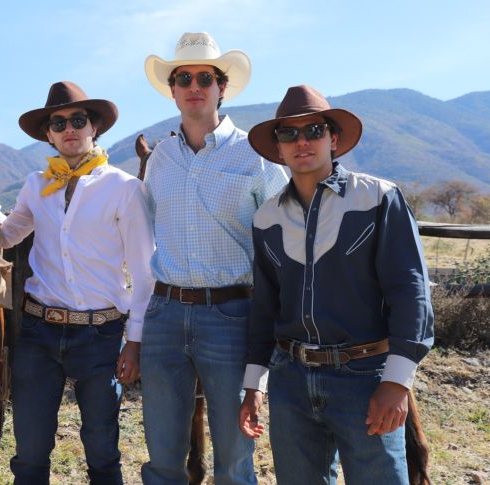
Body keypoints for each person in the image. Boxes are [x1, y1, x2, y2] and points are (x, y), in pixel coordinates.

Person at [237, 84, 435, 484]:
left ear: (334, 138)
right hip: (291, 379)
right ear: (278, 149)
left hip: (364, 376)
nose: (302, 141)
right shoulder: (265, 219)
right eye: (288, 134)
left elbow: (410, 290)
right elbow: (265, 309)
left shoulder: (379, 199)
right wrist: (254, 385)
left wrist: (397, 381)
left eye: (313, 130)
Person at [139, 32, 289, 484]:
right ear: (173, 89)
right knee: (163, 455)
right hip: (164, 313)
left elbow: (286, 239)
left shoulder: (257, 156)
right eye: (183, 77)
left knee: (234, 457)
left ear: (222, 87)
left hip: (231, 313)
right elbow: (143, 227)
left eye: (205, 76)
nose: (194, 85)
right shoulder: (161, 158)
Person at [0, 81, 155, 484]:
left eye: (78, 120)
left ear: (93, 128)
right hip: (38, 331)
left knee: (102, 450)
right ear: (48, 134)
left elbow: (144, 272)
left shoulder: (124, 189)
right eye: (59, 122)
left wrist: (133, 341)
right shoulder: (36, 185)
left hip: (102, 334)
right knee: (29, 451)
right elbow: (8, 233)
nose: (69, 129)